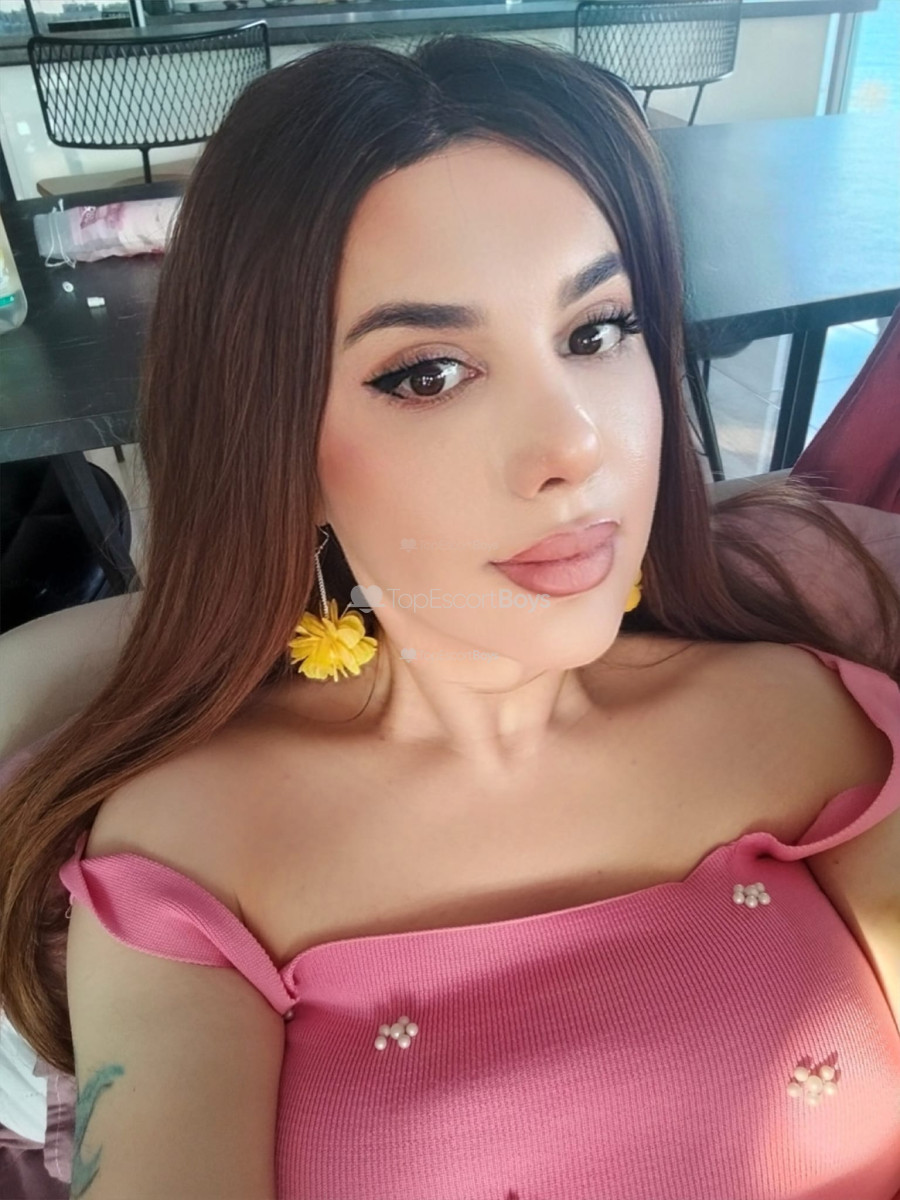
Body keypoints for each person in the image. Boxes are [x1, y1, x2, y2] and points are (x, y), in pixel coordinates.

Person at [1, 33, 899, 1200]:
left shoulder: (811, 720)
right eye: (427, 373)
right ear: (279, 448)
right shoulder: (194, 849)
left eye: (597, 330)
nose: (575, 446)